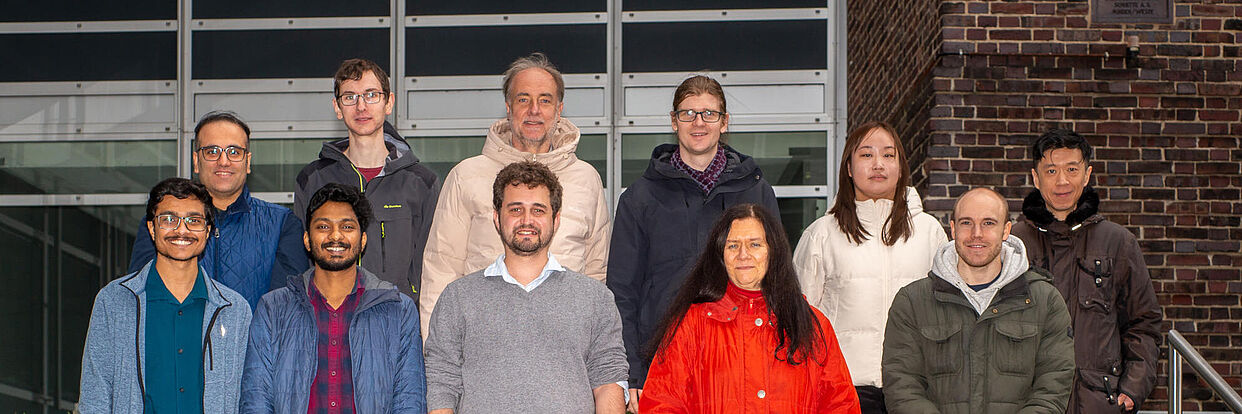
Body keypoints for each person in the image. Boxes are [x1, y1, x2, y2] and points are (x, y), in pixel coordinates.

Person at [608, 75, 780, 408]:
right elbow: (622, 294)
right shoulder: (639, 199)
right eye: (687, 113)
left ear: (724, 122)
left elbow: (776, 278)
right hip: (663, 363)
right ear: (674, 122)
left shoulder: (756, 192)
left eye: (708, 113)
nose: (698, 122)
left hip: (744, 360)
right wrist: (632, 373)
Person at [420, 52, 611, 339]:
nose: (534, 110)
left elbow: (598, 271)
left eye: (545, 100)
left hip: (565, 350)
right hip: (482, 347)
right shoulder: (466, 176)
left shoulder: (586, 179)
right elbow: (440, 270)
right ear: (508, 108)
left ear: (559, 110)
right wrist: (436, 355)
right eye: (524, 99)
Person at [424, 161, 627, 413]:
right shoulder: (458, 298)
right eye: (516, 209)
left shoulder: (595, 298)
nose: (527, 220)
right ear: (497, 219)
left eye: (539, 210)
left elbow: (608, 380)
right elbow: (442, 382)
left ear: (556, 219)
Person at [641, 203, 859, 413]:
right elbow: (661, 403)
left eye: (755, 244)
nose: (743, 254)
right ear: (721, 255)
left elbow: (840, 404)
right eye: (733, 245)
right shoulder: (691, 324)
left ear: (773, 251)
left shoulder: (812, 325)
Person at [791, 121, 947, 413]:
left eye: (889, 155)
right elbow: (799, 319)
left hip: (916, 388)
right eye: (866, 155)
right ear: (848, 167)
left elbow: (947, 314)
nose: (878, 164)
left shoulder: (930, 232)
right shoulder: (821, 234)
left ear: (900, 167)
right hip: (845, 388)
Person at [882, 188, 1074, 414]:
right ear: (953, 229)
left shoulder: (1045, 301)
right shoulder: (912, 302)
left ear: (1006, 231)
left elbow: (1052, 387)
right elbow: (903, 387)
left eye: (989, 223)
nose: (976, 233)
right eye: (966, 223)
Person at [1010, 129, 1162, 412]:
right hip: (1027, 403)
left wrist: (1133, 387)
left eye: (1071, 169)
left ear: (1087, 174)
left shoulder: (1118, 242)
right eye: (1051, 170)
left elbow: (1144, 323)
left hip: (1097, 401)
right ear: (1035, 177)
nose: (1062, 181)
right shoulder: (1013, 243)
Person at [241, 183, 426, 413]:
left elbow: (409, 400)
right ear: (307, 239)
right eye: (323, 226)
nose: (335, 236)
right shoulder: (273, 308)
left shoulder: (398, 310)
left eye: (347, 226)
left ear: (363, 240)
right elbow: (256, 399)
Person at [80, 178, 251, 413]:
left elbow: (249, 396)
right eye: (169, 219)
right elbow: (95, 395)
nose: (182, 230)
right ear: (152, 227)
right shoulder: (114, 301)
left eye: (194, 220)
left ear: (208, 230)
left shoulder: (234, 309)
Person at [294, 58, 439, 302]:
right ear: (337, 107)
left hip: (397, 322)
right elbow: (301, 261)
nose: (361, 106)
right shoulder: (313, 179)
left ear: (389, 102)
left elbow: (433, 266)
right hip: (328, 323)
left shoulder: (421, 183)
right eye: (350, 97)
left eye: (371, 95)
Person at [128, 111, 308, 307]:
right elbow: (139, 297)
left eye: (234, 152)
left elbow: (287, 310)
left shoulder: (283, 225)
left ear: (247, 162)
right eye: (212, 151)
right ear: (196, 161)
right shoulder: (161, 222)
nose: (223, 161)